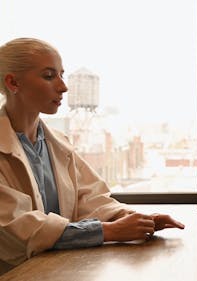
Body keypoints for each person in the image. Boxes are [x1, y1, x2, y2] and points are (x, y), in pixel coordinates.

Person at [0, 38, 185, 273]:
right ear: (13, 82)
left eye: (62, 75)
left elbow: (89, 198)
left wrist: (134, 218)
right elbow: (18, 228)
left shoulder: (59, 144)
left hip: (58, 270)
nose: (63, 87)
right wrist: (111, 231)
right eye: (49, 76)